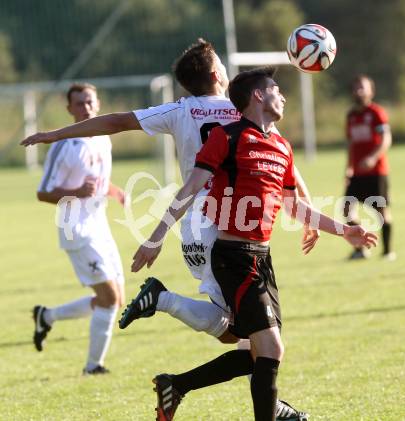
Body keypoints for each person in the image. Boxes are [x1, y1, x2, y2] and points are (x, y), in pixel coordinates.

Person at [22, 40, 315, 419]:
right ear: (216, 75)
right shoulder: (241, 108)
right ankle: (165, 303)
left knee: (247, 338)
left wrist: (54, 134)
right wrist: (305, 207)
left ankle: (198, 387)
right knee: (252, 337)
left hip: (192, 226)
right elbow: (280, 154)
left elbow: (116, 121)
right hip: (228, 228)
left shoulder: (180, 110)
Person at [127, 67, 378, 420]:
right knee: (270, 347)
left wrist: (344, 230)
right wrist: (155, 237)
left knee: (261, 352)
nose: (283, 95)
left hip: (262, 258)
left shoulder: (281, 146)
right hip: (232, 257)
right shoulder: (227, 138)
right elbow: (190, 189)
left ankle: (176, 385)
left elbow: (294, 206)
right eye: (276, 89)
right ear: (258, 96)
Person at [32, 83, 126, 374]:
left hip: (100, 225)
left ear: (97, 104)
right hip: (76, 229)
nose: (85, 108)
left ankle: (47, 316)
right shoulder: (64, 145)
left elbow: (94, 180)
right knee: (109, 299)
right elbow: (43, 193)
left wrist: (111, 189)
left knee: (116, 299)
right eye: (79, 104)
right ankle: (93, 366)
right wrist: (76, 192)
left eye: (89, 102)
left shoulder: (103, 139)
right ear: (69, 109)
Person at [343, 74, 395, 260]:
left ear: (371, 91)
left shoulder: (376, 113)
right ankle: (360, 249)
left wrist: (373, 157)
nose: (359, 91)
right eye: (356, 87)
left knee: (382, 213)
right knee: (347, 209)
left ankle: (388, 251)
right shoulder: (350, 116)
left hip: (376, 172)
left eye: (362, 87)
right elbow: (351, 145)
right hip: (357, 173)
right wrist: (348, 168)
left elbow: (386, 139)